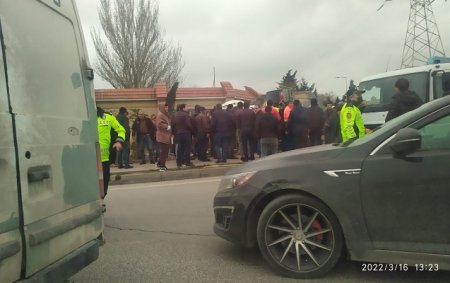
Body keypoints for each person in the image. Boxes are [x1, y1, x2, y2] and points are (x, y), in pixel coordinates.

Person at [97, 107, 125, 199]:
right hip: (86, 159)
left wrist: (119, 142)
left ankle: (101, 200)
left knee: (103, 186)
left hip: (103, 159)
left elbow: (121, 130)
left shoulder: (108, 117)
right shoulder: (82, 117)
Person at [171, 104, 194, 168]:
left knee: (179, 148)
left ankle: (179, 163)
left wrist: (173, 133)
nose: (187, 108)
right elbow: (188, 124)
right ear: (183, 108)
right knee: (187, 148)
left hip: (178, 134)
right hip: (186, 133)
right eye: (187, 107)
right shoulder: (185, 114)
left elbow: (172, 124)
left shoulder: (174, 115)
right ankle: (187, 162)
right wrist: (191, 130)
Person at [156, 103, 172, 171]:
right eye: (165, 107)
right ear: (162, 108)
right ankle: (162, 166)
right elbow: (159, 125)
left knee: (164, 151)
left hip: (165, 136)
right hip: (162, 136)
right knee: (164, 152)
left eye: (167, 107)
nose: (167, 108)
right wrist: (167, 126)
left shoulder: (164, 114)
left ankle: (160, 163)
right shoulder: (160, 115)